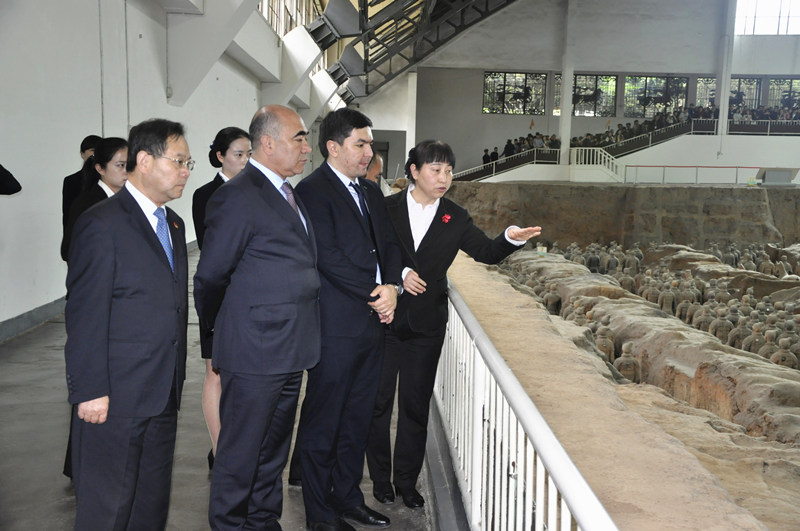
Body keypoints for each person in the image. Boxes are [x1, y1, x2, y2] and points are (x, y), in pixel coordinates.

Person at [366, 140, 541, 509]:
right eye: (436, 170)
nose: (444, 177)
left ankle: (406, 482)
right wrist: (400, 273)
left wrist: (510, 238)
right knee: (377, 404)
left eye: (448, 170)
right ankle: (380, 480)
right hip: (384, 319)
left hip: (426, 326)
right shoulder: (385, 207)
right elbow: (371, 252)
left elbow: (486, 252)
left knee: (415, 406)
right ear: (414, 171)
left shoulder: (455, 216)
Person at [194, 105, 321, 530]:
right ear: (267, 143)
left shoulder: (286, 193)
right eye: (298, 138)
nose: (306, 147)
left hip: (290, 347)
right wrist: (219, 334)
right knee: (240, 455)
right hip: (253, 349)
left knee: (271, 454)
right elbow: (211, 276)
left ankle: (263, 522)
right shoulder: (238, 196)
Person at [64, 119, 191, 530]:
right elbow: (85, 313)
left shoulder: (173, 224)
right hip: (114, 397)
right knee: (108, 509)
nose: (186, 171)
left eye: (188, 163)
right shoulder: (102, 223)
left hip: (162, 391)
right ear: (145, 161)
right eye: (178, 161)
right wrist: (90, 390)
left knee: (149, 507)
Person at [294, 108, 403, 531]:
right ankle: (319, 513)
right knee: (324, 422)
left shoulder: (370, 191)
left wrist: (392, 286)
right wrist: (376, 294)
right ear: (333, 147)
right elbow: (328, 257)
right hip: (335, 327)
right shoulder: (312, 191)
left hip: (372, 324)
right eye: (360, 144)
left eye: (369, 144)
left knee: (358, 418)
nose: (368, 152)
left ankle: (349, 498)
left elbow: (389, 245)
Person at [191, 126, 251, 470]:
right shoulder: (206, 194)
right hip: (218, 291)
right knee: (215, 370)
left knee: (244, 373)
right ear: (220, 156)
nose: (245, 161)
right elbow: (210, 247)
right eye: (238, 154)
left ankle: (239, 444)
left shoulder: (258, 191)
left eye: (249, 154)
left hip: (250, 294)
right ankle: (220, 448)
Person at [61, 137, 128, 262]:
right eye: (120, 165)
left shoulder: (131, 201)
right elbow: (69, 250)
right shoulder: (87, 204)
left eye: (130, 165)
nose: (126, 171)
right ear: (100, 169)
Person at [62, 134, 101, 230]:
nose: (95, 154)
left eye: (99, 150)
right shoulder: (71, 181)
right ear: (82, 154)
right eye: (92, 150)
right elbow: (67, 214)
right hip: (81, 229)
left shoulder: (108, 178)